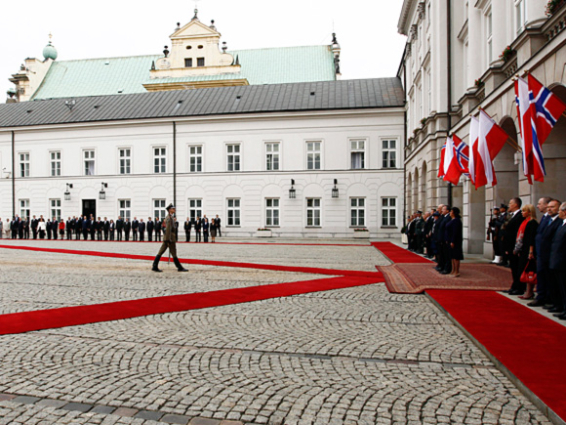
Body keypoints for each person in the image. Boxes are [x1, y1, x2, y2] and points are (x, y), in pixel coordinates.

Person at [528, 197, 553, 307]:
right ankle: (541, 295)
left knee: (546, 276)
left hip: (546, 253)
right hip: (540, 252)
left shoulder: (551, 219)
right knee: (541, 275)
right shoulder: (544, 217)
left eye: (540, 204)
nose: (538, 206)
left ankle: (545, 297)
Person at [152, 204, 188, 273]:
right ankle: (179, 267)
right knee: (170, 252)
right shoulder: (169, 218)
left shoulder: (170, 217)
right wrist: (168, 239)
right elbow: (168, 229)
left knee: (165, 252)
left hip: (169, 238)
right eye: (173, 208)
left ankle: (155, 265)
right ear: (169, 210)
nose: (174, 209)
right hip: (169, 239)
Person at [513, 204, 538, 299]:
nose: (522, 213)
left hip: (529, 250)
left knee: (529, 271)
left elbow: (531, 238)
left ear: (530, 212)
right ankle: (527, 291)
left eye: (524, 211)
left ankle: (529, 291)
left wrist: (531, 252)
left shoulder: (532, 223)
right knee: (525, 270)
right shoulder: (525, 222)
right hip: (524, 249)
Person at [505, 198, 526, 295]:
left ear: (516, 205)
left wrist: (515, 248)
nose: (509, 205)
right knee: (513, 268)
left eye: (510, 203)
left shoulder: (520, 216)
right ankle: (514, 285)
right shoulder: (513, 216)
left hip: (515, 247)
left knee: (517, 268)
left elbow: (517, 233)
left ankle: (519, 287)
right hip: (510, 247)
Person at [549, 202, 566, 320]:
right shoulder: (562, 224)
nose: (558, 212)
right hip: (558, 261)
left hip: (563, 262)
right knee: (562, 288)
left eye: (560, 210)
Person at [446, 207, 463, 277]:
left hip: (455, 241)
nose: (450, 213)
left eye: (451, 211)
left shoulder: (456, 221)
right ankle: (453, 270)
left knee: (456, 256)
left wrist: (452, 241)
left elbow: (455, 232)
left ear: (453, 213)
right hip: (450, 240)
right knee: (452, 256)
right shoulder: (452, 220)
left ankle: (457, 271)